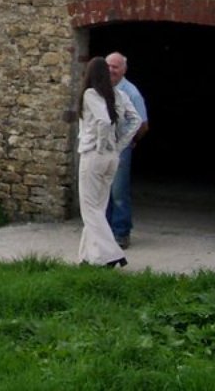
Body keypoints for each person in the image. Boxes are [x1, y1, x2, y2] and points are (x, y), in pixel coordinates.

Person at [77, 56, 141, 267]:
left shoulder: (90, 94)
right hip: (111, 158)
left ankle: (112, 254)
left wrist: (103, 144)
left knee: (90, 210)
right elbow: (136, 120)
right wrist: (118, 146)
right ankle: (87, 257)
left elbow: (104, 121)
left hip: (94, 155)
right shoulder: (118, 94)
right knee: (98, 207)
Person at [105, 51, 149, 249]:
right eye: (108, 66)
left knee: (118, 192)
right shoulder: (100, 88)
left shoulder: (131, 92)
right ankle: (104, 232)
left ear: (124, 69)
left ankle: (121, 233)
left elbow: (143, 124)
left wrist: (129, 141)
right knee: (103, 190)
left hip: (120, 148)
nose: (111, 70)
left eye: (115, 66)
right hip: (102, 148)